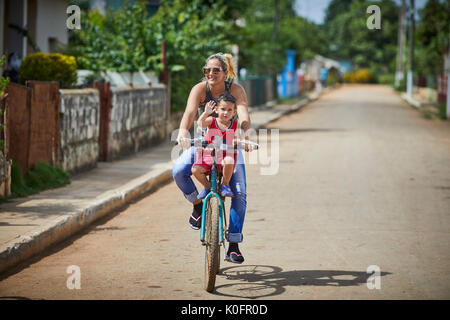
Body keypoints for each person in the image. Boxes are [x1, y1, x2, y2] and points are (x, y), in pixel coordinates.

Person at [173, 52, 251, 264]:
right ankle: (198, 205)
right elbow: (190, 113)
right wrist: (182, 132)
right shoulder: (199, 89)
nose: (210, 74)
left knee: (239, 193)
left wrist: (243, 132)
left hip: (230, 145)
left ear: (225, 73)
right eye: (207, 70)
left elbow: (243, 114)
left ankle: (233, 245)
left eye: (216, 70)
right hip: (205, 144)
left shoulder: (235, 89)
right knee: (179, 170)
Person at [192, 95, 238, 199]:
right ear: (216, 109)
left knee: (229, 160)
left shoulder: (234, 124)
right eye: (223, 109)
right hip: (209, 155)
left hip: (225, 155)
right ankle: (207, 187)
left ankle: (225, 185)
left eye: (229, 110)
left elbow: (236, 138)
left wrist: (238, 141)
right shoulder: (211, 120)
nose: (226, 113)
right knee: (195, 170)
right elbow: (200, 123)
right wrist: (206, 113)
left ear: (234, 112)